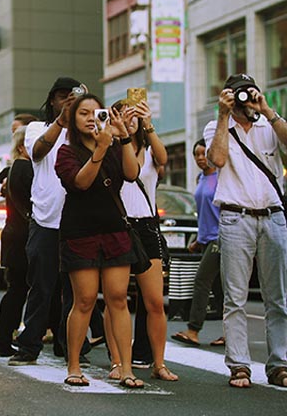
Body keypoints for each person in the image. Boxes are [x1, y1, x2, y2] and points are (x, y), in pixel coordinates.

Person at [204, 73, 287, 388]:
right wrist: (225, 114)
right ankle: (239, 365)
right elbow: (218, 159)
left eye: (249, 93)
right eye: (239, 95)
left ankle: (280, 363)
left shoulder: (269, 125)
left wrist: (267, 110)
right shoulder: (217, 127)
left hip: (273, 216)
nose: (246, 99)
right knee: (236, 297)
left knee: (278, 297)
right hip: (236, 218)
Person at [54, 93, 142, 388]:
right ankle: (74, 365)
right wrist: (101, 148)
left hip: (115, 229)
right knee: (85, 300)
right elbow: (81, 182)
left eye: (96, 112)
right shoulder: (66, 153)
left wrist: (125, 138)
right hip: (80, 232)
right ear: (73, 120)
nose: (91, 118)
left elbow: (131, 174)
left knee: (118, 298)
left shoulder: (115, 145)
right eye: (83, 114)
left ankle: (126, 368)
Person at [8, 78, 90, 367]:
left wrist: (85, 114)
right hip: (45, 220)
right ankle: (28, 346)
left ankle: (71, 348)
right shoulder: (36, 129)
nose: (67, 100)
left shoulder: (86, 132)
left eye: (74, 96)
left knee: (76, 292)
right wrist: (62, 119)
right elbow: (38, 152)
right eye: (61, 97)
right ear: (51, 101)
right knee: (40, 288)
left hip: (79, 222)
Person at [103, 100, 178, 382]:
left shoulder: (149, 148)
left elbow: (163, 158)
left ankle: (159, 364)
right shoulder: (110, 147)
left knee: (155, 302)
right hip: (119, 224)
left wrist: (148, 123)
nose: (129, 118)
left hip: (146, 225)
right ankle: (117, 361)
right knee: (117, 299)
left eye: (134, 114)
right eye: (123, 113)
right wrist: (115, 131)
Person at [171, 139, 224, 347]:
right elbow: (204, 214)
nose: (201, 158)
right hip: (207, 239)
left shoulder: (222, 176)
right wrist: (197, 241)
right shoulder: (201, 177)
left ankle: (193, 330)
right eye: (197, 155)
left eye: (204, 153)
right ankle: (231, 334)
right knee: (221, 289)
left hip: (222, 237)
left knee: (202, 280)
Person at [0, 124, 33, 357]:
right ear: (21, 146)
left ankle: (5, 339)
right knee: (18, 291)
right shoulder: (22, 168)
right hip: (21, 238)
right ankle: (4, 340)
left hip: (15, 237)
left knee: (17, 291)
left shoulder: (16, 169)